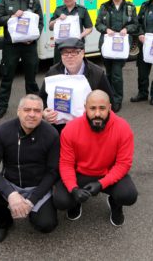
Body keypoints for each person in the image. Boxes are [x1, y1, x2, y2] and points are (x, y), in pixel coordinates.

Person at [0, 94, 59, 243]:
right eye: (27, 109)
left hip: (37, 187)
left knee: (47, 225)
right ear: (18, 111)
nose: (31, 114)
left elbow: (53, 172)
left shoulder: (51, 134)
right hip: (11, 183)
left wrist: (31, 201)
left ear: (42, 113)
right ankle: (3, 223)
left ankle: (29, 211)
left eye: (37, 111)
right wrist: (11, 194)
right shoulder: (2, 132)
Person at [53, 90, 138, 227]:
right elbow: (66, 163)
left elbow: (123, 164)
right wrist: (73, 189)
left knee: (128, 195)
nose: (97, 113)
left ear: (109, 108)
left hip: (107, 173)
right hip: (80, 173)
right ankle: (75, 203)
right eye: (92, 108)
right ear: (85, 107)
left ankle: (115, 205)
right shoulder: (70, 129)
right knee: (61, 201)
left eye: (102, 108)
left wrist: (102, 183)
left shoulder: (123, 128)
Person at [0, 0, 43, 119]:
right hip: (11, 46)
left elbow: (40, 22)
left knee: (31, 79)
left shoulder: (34, 0)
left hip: (29, 46)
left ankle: (33, 109)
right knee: (7, 77)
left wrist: (34, 37)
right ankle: (1, 107)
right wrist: (12, 16)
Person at [39, 38, 114, 134]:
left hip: (88, 128)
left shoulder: (97, 74)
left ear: (83, 53)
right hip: (60, 129)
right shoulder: (53, 73)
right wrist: (44, 113)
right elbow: (42, 99)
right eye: (65, 53)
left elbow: (110, 103)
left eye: (74, 52)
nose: (69, 56)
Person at [95, 0, 138, 113]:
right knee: (108, 73)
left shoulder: (130, 7)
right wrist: (106, 29)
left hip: (121, 46)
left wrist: (127, 29)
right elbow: (98, 24)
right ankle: (108, 98)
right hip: (107, 45)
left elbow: (135, 25)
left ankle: (117, 100)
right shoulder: (104, 7)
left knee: (117, 74)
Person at [49, 0, 93, 64]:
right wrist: (57, 19)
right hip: (61, 46)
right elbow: (50, 26)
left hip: (77, 45)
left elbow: (89, 28)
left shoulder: (82, 10)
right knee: (59, 70)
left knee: (76, 69)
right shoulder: (58, 10)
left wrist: (80, 36)